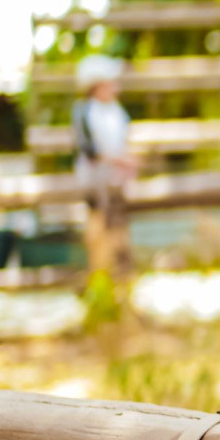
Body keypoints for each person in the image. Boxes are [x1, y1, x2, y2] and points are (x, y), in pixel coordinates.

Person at [71, 55, 135, 278]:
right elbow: (88, 149)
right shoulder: (85, 111)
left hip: (116, 180)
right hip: (94, 180)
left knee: (118, 228)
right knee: (97, 226)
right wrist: (116, 159)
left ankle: (120, 277)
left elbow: (124, 141)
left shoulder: (117, 112)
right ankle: (99, 275)